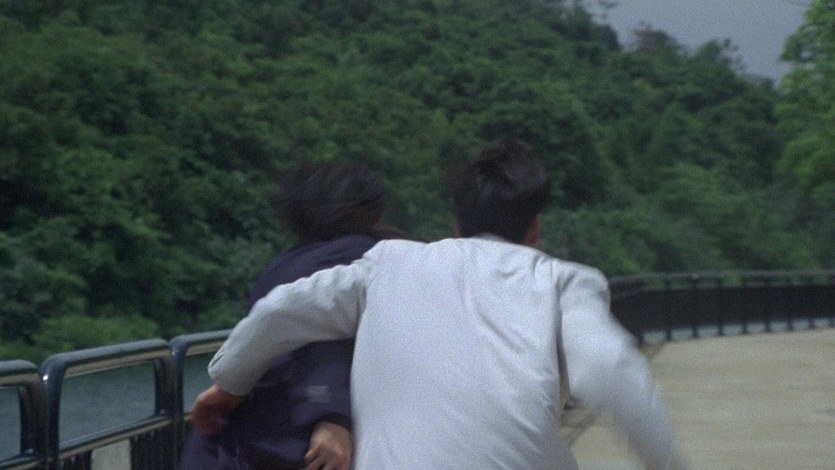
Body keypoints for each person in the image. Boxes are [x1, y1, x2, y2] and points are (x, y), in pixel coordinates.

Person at [192, 138, 688, 469]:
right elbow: (611, 370)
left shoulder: (387, 264)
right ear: (534, 230)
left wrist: (230, 381)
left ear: (456, 226)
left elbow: (281, 311)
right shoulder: (564, 282)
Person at [180, 160, 397, 470]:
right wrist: (330, 416)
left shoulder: (288, 262)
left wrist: (230, 383)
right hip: (289, 443)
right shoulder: (356, 256)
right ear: (372, 212)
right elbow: (322, 336)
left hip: (233, 442)